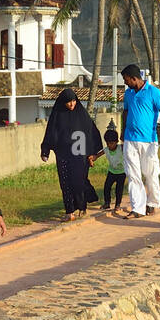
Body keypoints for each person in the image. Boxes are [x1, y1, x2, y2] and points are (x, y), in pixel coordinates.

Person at [41, 88, 102, 221]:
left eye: (74, 101)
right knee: (65, 183)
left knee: (79, 181)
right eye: (68, 102)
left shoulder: (81, 115)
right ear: (63, 102)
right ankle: (69, 211)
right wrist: (45, 150)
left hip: (80, 155)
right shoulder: (57, 115)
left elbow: (92, 133)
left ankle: (82, 207)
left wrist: (93, 154)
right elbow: (50, 132)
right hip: (63, 155)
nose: (72, 104)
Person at [120, 63, 160, 219]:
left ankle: (153, 203)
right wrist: (123, 131)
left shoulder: (153, 92)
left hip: (149, 140)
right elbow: (125, 112)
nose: (125, 82)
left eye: (126, 79)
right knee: (132, 174)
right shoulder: (128, 94)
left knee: (150, 174)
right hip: (130, 139)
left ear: (134, 78)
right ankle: (137, 207)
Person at [92, 125, 127, 212]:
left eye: (111, 143)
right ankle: (107, 203)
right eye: (107, 143)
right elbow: (97, 155)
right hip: (112, 171)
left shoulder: (121, 148)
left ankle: (117, 205)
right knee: (106, 187)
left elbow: (129, 148)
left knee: (119, 189)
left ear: (116, 142)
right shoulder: (106, 149)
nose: (109, 145)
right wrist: (93, 158)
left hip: (122, 172)